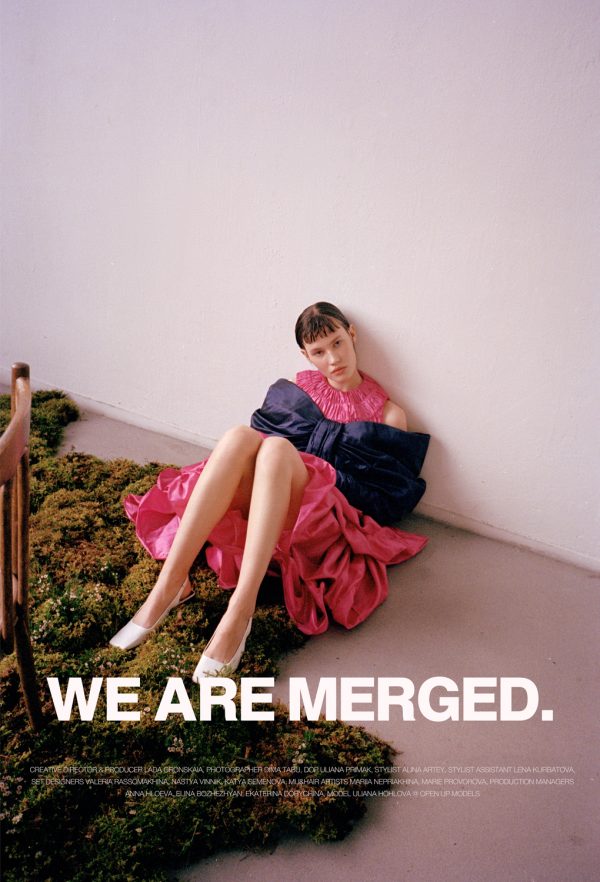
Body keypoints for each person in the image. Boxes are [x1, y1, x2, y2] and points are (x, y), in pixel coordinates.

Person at [109, 302, 430, 681]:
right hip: (272, 494)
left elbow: (384, 502)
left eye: (338, 343)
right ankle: (169, 586)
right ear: (305, 356)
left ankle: (239, 612)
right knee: (239, 436)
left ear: (352, 334)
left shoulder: (390, 414)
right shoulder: (299, 391)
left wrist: (323, 470)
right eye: (319, 352)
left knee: (277, 448)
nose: (333, 359)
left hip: (323, 518)